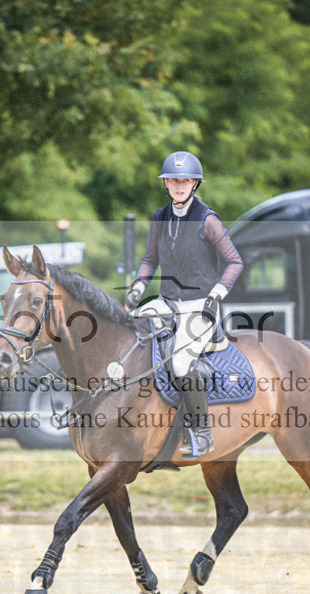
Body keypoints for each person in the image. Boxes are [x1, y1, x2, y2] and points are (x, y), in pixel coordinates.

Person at [125, 151, 243, 457]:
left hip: (200, 305)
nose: (179, 185)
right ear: (166, 184)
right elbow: (150, 259)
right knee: (129, 325)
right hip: (167, 302)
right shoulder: (159, 218)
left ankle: (202, 433)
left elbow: (234, 262)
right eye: (174, 180)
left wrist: (217, 293)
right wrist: (139, 284)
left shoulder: (208, 220)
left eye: (185, 180)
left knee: (180, 362)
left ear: (195, 184)